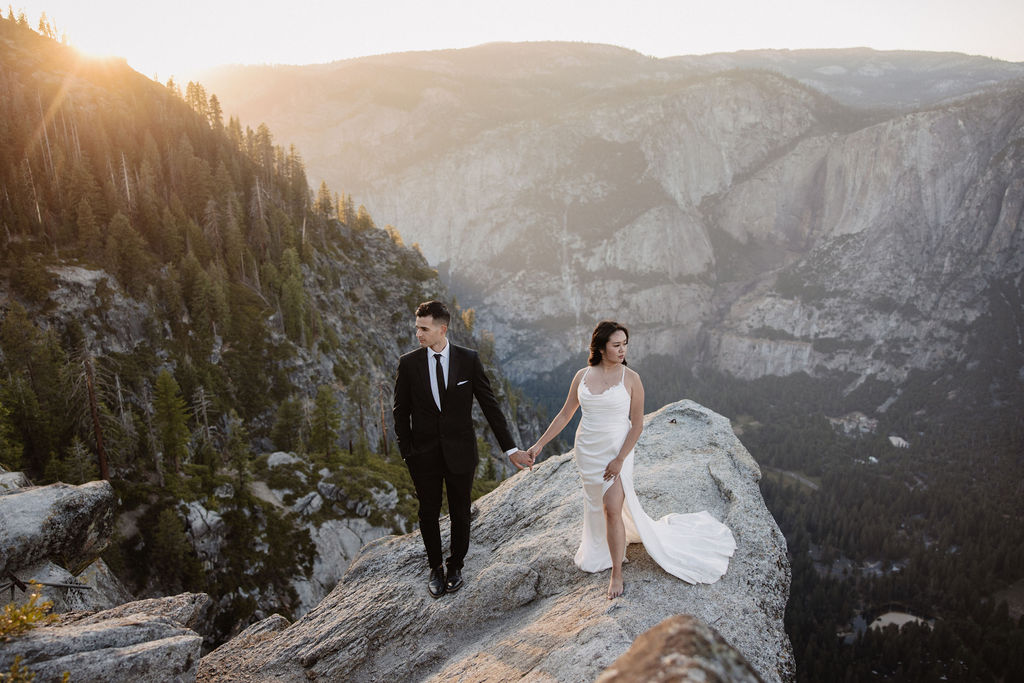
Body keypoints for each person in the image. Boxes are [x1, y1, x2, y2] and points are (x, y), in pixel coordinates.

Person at [528, 321, 736, 599]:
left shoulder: (632, 379)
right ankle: (601, 547)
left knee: (612, 508)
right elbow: (565, 414)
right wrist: (539, 445)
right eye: (616, 345)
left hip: (617, 450)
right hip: (587, 450)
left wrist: (619, 459)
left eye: (625, 343)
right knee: (598, 507)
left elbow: (637, 425)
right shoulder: (581, 376)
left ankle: (616, 573)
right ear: (601, 347)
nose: (622, 349)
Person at [393, 300, 533, 598]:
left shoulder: (468, 359)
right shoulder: (409, 363)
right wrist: (408, 453)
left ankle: (456, 565)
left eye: (423, 328)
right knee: (428, 513)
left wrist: (511, 450)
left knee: (460, 512)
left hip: (461, 453)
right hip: (423, 456)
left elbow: (490, 405)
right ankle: (435, 568)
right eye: (417, 327)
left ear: (442, 329)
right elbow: (399, 412)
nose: (418, 333)